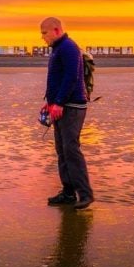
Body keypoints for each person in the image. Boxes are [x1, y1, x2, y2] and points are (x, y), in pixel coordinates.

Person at [40, 17, 94, 209]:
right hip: (60, 106)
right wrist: (50, 103)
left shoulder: (69, 47)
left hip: (72, 107)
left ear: (56, 30)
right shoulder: (58, 49)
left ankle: (85, 194)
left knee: (71, 150)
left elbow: (71, 78)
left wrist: (60, 103)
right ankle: (69, 193)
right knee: (62, 151)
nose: (42, 38)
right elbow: (56, 79)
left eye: (44, 33)